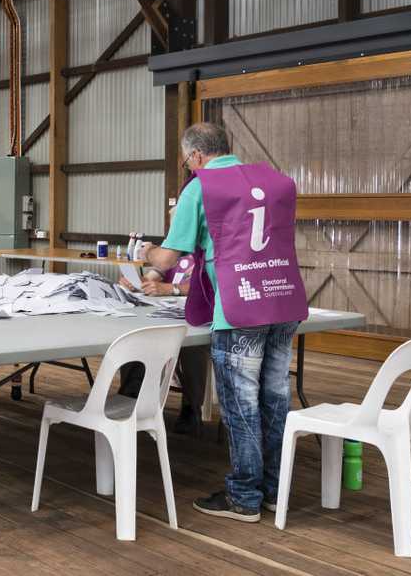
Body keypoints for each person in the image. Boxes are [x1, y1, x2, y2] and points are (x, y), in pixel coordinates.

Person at [138, 122, 308, 524]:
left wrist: (148, 251)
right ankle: (271, 490)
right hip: (284, 299)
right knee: (275, 400)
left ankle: (243, 496)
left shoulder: (200, 187)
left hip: (240, 306)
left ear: (195, 156)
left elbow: (167, 260)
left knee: (241, 405)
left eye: (186, 162)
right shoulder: (274, 180)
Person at [117, 253, 208, 434]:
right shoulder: (172, 252)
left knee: (192, 347)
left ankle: (192, 407)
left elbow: (207, 284)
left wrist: (170, 288)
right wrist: (137, 284)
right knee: (132, 333)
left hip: (196, 316)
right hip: (164, 312)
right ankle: (131, 395)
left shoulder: (207, 250)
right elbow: (153, 277)